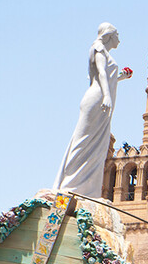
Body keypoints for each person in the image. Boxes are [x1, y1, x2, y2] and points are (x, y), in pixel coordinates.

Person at [53, 23, 133, 198]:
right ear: (110, 35)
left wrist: (120, 78)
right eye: (117, 33)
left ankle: (86, 189)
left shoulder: (105, 52)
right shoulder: (98, 48)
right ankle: (70, 184)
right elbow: (101, 74)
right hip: (97, 98)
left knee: (97, 145)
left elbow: (106, 76)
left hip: (101, 98)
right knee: (83, 140)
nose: (119, 37)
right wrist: (106, 96)